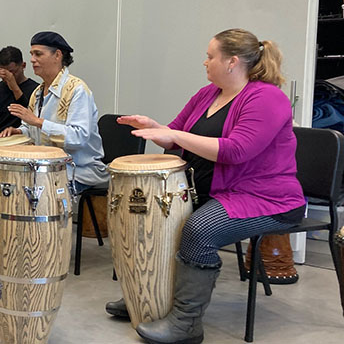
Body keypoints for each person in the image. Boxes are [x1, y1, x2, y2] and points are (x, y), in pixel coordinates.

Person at [113, 28, 306, 344]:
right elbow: (176, 134)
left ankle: (186, 323)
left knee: (199, 230)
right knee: (165, 220)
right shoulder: (207, 94)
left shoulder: (267, 97)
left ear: (231, 62)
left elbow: (236, 150)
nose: (204, 62)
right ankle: (149, 297)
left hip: (266, 199)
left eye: (210, 56)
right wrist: (156, 128)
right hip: (217, 192)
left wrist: (175, 136)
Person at [0, 31, 108, 194]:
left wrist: (37, 122)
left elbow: (78, 137)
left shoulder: (77, 90)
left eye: (38, 54)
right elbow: (32, 130)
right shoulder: (37, 92)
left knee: (33, 195)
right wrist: (19, 131)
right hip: (48, 169)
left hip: (79, 171)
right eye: (31, 54)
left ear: (57, 55)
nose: (32, 59)